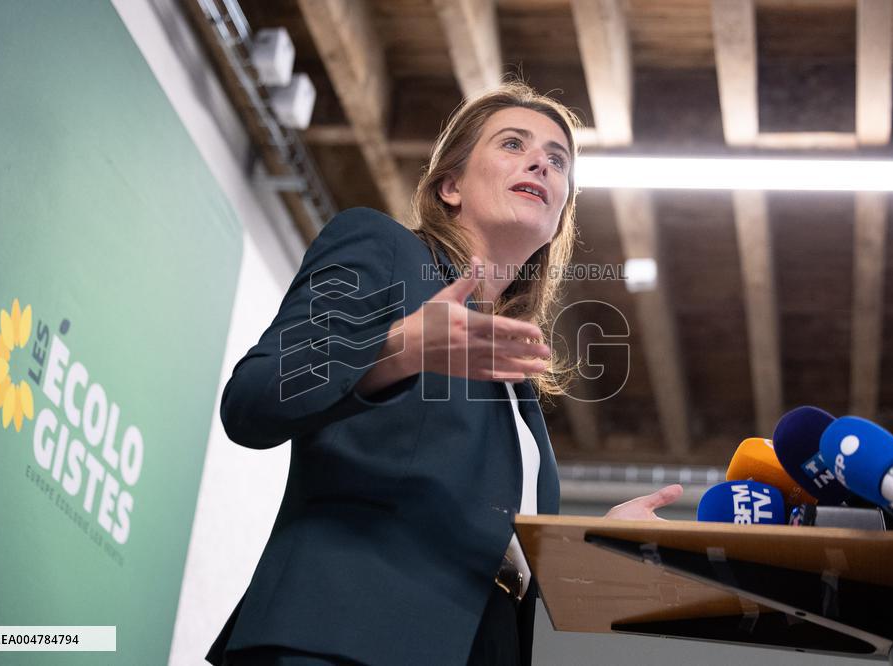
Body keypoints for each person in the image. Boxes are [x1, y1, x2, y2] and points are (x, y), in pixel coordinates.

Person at [206, 82, 683, 666]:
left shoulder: (514, 385)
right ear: (449, 186)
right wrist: (402, 347)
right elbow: (254, 398)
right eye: (513, 144)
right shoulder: (381, 247)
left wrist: (591, 550)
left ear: (559, 219)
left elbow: (501, 561)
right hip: (342, 636)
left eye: (558, 160)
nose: (541, 162)